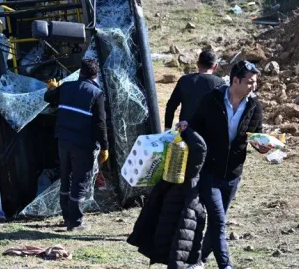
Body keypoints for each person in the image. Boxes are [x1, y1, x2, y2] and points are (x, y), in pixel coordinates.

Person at [178, 60, 267, 269]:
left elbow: (256, 136)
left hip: (233, 174)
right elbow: (196, 123)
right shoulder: (213, 99)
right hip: (210, 170)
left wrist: (261, 147)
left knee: (218, 221)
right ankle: (225, 265)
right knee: (218, 221)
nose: (253, 86)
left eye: (255, 83)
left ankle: (198, 259)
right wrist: (185, 126)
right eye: (250, 82)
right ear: (236, 80)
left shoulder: (254, 105)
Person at [127, 127, 208, 269]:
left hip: (177, 193)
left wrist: (186, 130)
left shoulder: (188, 151)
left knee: (177, 237)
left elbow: (200, 148)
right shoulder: (186, 175)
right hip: (179, 193)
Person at [44, 58, 109, 231]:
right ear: (95, 75)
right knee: (80, 181)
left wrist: (52, 88)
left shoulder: (66, 87)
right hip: (83, 143)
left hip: (63, 141)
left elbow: (48, 97)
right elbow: (100, 124)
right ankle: (75, 223)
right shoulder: (96, 94)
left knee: (66, 178)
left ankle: (67, 218)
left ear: (80, 72)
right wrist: (105, 147)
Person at [165, 50, 225, 130]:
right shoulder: (221, 83)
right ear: (215, 66)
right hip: (210, 134)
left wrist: (167, 127)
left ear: (197, 64)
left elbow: (171, 106)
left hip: (185, 131)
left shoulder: (184, 80)